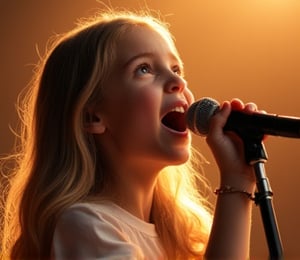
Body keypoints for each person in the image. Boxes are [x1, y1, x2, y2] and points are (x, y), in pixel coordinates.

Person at [0, 8, 260, 259]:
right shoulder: (86, 226)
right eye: (144, 69)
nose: (179, 82)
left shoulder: (186, 235)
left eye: (176, 69)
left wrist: (238, 179)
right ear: (93, 116)